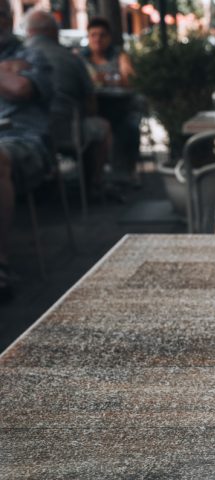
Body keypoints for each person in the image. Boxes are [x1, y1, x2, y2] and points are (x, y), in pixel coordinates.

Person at [25, 10, 115, 201]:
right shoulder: (72, 58)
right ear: (54, 31)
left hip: (26, 134)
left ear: (29, 32)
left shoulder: (15, 58)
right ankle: (94, 184)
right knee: (102, 128)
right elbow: (91, 102)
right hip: (66, 131)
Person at [0, 0, 53, 302]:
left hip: (26, 142)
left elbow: (20, 89)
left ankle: (1, 262)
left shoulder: (33, 53)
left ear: (9, 19)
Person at [81, 17, 141, 184]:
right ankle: (95, 176)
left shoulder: (118, 55)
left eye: (102, 35)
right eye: (93, 35)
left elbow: (129, 79)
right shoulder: (81, 56)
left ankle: (128, 170)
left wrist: (104, 78)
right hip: (94, 108)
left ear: (109, 37)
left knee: (130, 126)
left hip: (121, 107)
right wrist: (112, 78)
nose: (97, 39)